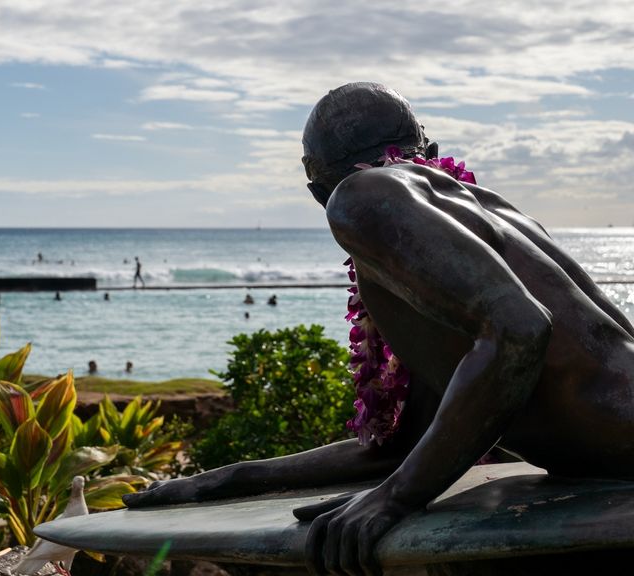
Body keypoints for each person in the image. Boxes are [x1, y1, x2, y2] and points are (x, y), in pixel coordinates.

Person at [123, 82, 634, 575]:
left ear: (317, 189)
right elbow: (405, 445)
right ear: (429, 151)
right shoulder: (484, 209)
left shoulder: (362, 196)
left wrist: (397, 497)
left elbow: (521, 328)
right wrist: (227, 479)